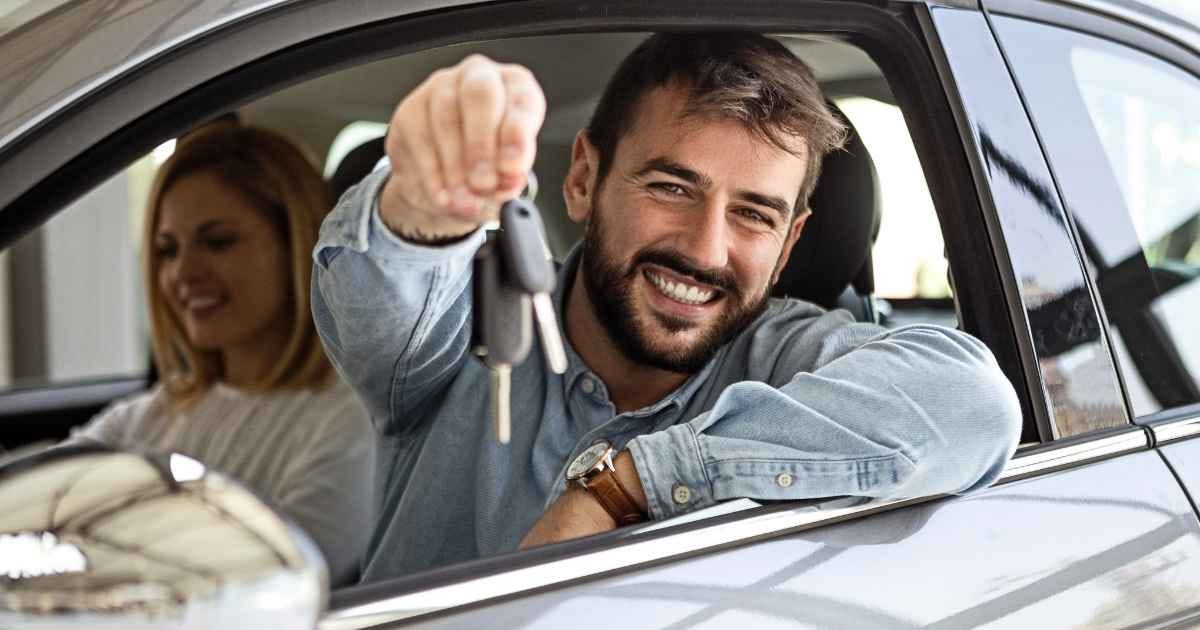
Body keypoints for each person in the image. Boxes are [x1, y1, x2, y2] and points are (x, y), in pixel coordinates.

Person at [312, 33, 1022, 582]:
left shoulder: (797, 358)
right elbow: (386, 285)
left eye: (754, 214)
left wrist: (627, 487)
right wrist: (423, 205)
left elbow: (975, 404)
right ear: (585, 178)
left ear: (789, 242)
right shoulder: (462, 326)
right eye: (672, 188)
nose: (706, 250)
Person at [72, 123, 375, 587]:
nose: (183, 273)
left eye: (218, 242)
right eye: (167, 250)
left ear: (295, 244)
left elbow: (272, 588)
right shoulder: (156, 411)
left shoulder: (348, 421)